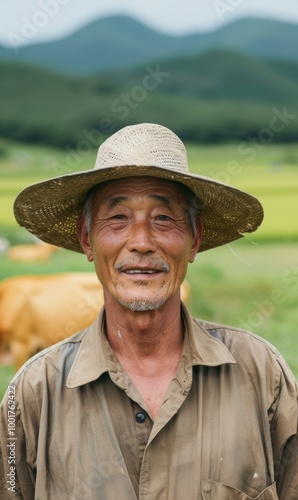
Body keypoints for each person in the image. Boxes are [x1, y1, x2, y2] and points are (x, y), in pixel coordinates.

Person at [0, 123, 297, 499]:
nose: (141, 242)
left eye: (164, 218)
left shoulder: (262, 374)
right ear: (85, 239)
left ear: (195, 239)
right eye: (118, 218)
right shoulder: (32, 393)